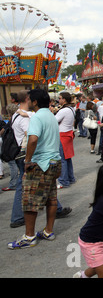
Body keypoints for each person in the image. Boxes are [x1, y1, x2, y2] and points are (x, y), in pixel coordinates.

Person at [8, 89, 62, 249]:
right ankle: (48, 230)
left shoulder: (37, 117)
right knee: (51, 197)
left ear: (35, 102)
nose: (28, 101)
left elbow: (32, 139)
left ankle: (29, 236)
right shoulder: (50, 115)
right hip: (54, 162)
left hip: (41, 163)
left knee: (30, 200)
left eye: (29, 99)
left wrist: (27, 160)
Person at [9, 90, 33, 228]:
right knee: (22, 185)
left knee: (40, 182)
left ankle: (57, 207)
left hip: (21, 154)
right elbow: (30, 137)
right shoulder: (23, 118)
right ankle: (17, 216)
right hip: (26, 155)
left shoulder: (16, 115)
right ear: (27, 99)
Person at [54, 92, 76, 189]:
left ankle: (63, 181)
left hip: (62, 135)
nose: (59, 100)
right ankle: (70, 177)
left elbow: (54, 120)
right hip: (68, 134)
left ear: (64, 99)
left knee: (62, 159)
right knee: (67, 158)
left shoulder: (64, 110)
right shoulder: (71, 109)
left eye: (60, 98)